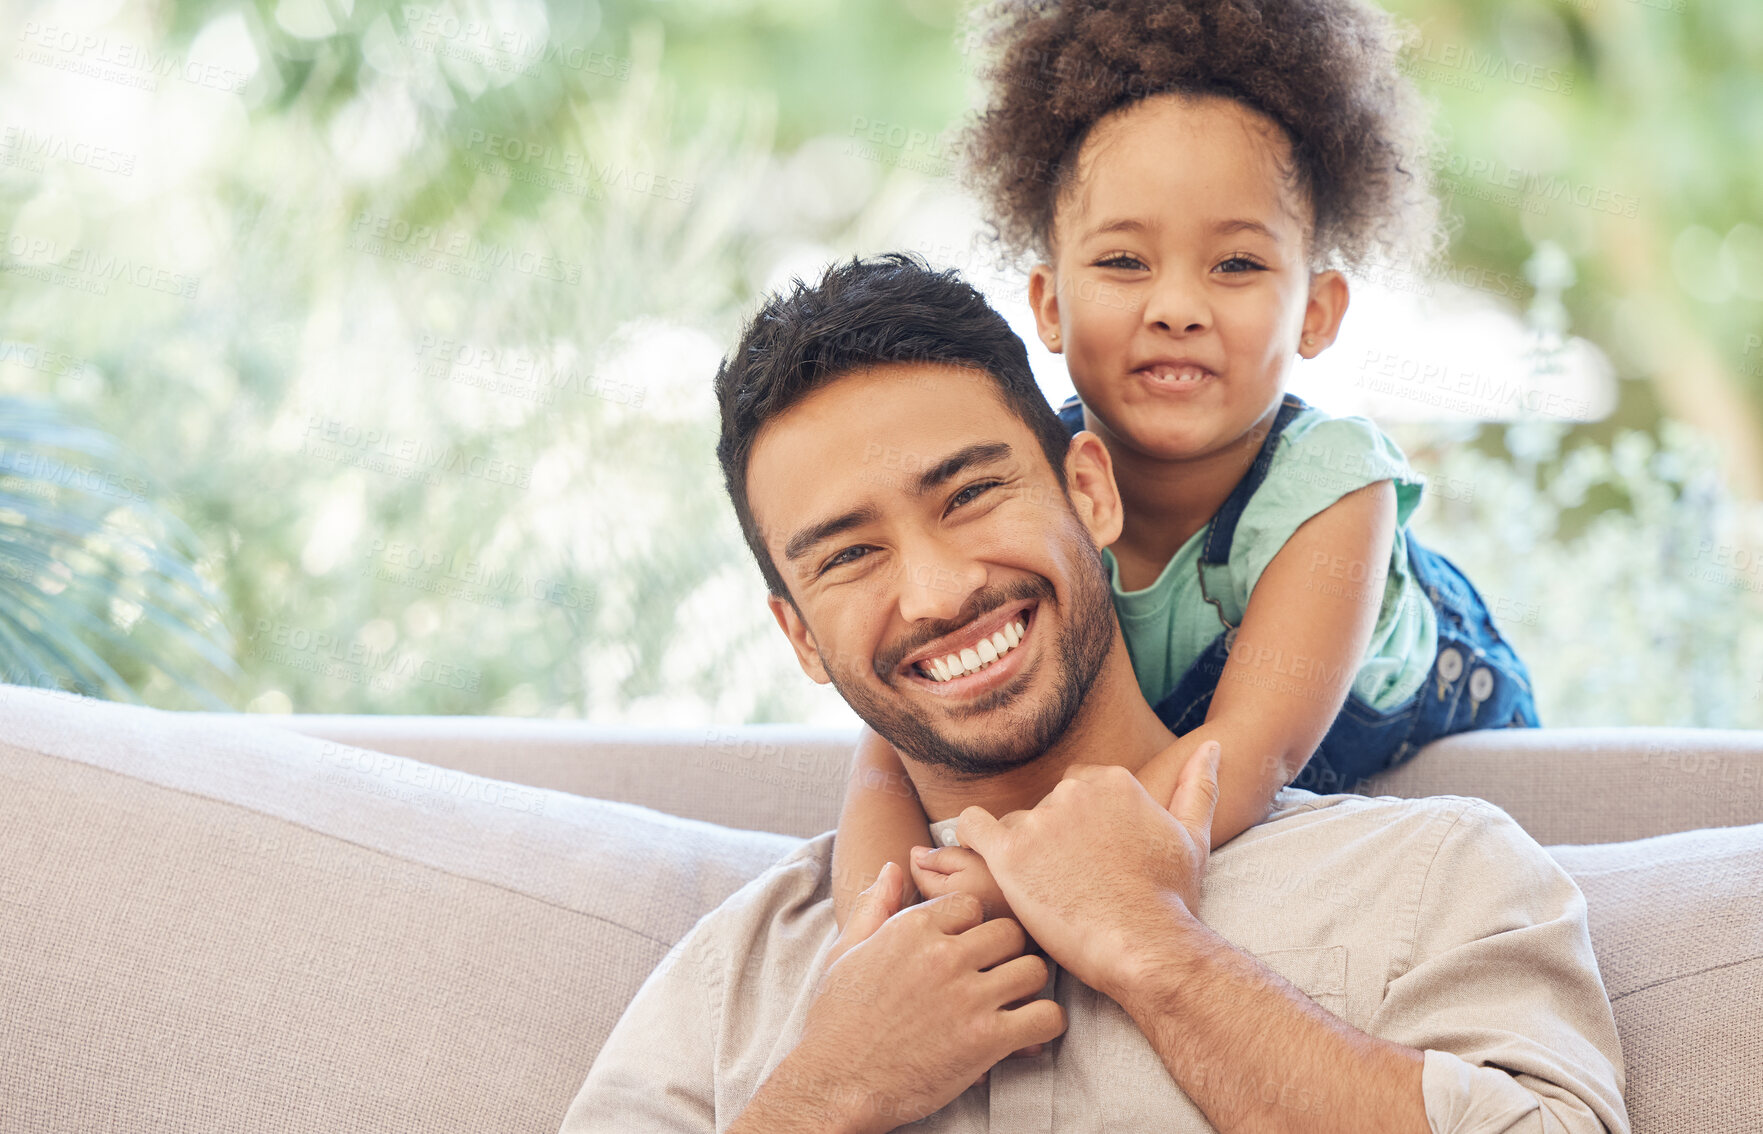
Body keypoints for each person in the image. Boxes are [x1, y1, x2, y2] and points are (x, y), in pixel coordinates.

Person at [558, 255, 1627, 1133]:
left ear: (1089, 489)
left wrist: (1160, 953)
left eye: (970, 493)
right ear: (796, 635)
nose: (936, 591)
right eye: (847, 557)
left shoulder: (1433, 877)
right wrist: (828, 1091)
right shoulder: (732, 983)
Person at [834, 0, 1540, 933]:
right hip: (1176, 760)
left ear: (1316, 312)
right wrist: (875, 926)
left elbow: (1241, 762)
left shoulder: (1334, 484)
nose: (1176, 306)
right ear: (1048, 303)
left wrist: (1012, 880)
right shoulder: (1018, 483)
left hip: (1383, 727)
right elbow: (891, 755)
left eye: (1237, 265)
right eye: (1123, 260)